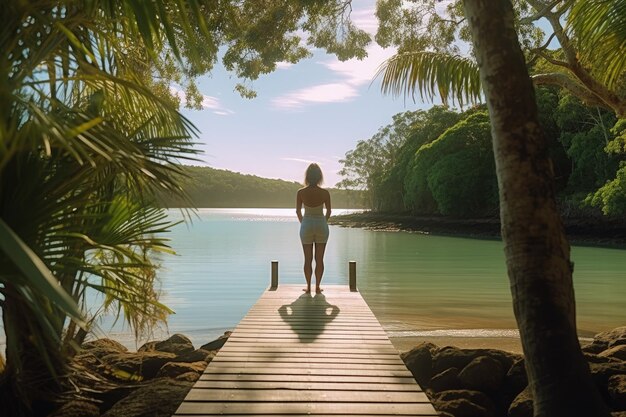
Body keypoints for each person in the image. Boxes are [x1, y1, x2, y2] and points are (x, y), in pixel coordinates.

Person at [296, 163, 331, 294]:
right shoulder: (325, 193)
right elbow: (329, 211)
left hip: (307, 224)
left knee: (307, 259)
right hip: (321, 224)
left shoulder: (301, 192)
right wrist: (323, 221)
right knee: (320, 259)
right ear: (319, 176)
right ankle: (317, 287)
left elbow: (298, 212)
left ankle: (308, 287)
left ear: (307, 176)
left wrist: (303, 223)